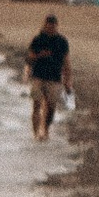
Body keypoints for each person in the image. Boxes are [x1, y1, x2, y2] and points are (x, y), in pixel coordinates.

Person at [26, 9, 71, 138]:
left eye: (53, 25)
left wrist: (68, 81)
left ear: (56, 26)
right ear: (44, 25)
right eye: (48, 25)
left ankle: (45, 129)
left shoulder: (62, 41)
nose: (50, 28)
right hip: (38, 76)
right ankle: (36, 134)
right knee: (36, 104)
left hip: (54, 77)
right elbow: (29, 59)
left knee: (51, 107)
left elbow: (67, 62)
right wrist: (39, 55)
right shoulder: (38, 39)